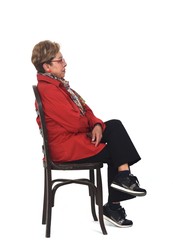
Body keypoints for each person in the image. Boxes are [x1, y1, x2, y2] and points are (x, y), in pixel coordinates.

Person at [31, 40, 147, 228]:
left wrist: (97, 125)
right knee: (116, 151)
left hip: (75, 141)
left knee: (115, 127)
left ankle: (123, 180)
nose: (65, 63)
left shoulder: (60, 86)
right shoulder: (49, 90)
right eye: (60, 60)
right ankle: (115, 201)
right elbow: (74, 121)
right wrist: (93, 125)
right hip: (65, 148)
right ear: (47, 66)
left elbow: (85, 109)